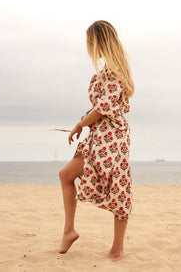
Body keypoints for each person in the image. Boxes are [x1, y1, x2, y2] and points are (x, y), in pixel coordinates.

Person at [58, 20, 135, 262]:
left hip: (111, 137)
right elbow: (97, 109)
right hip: (99, 135)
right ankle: (69, 231)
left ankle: (117, 250)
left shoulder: (115, 71)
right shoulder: (108, 70)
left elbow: (102, 109)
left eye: (91, 42)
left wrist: (81, 124)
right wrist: (80, 124)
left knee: (119, 187)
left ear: (100, 41)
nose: (89, 47)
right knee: (66, 175)